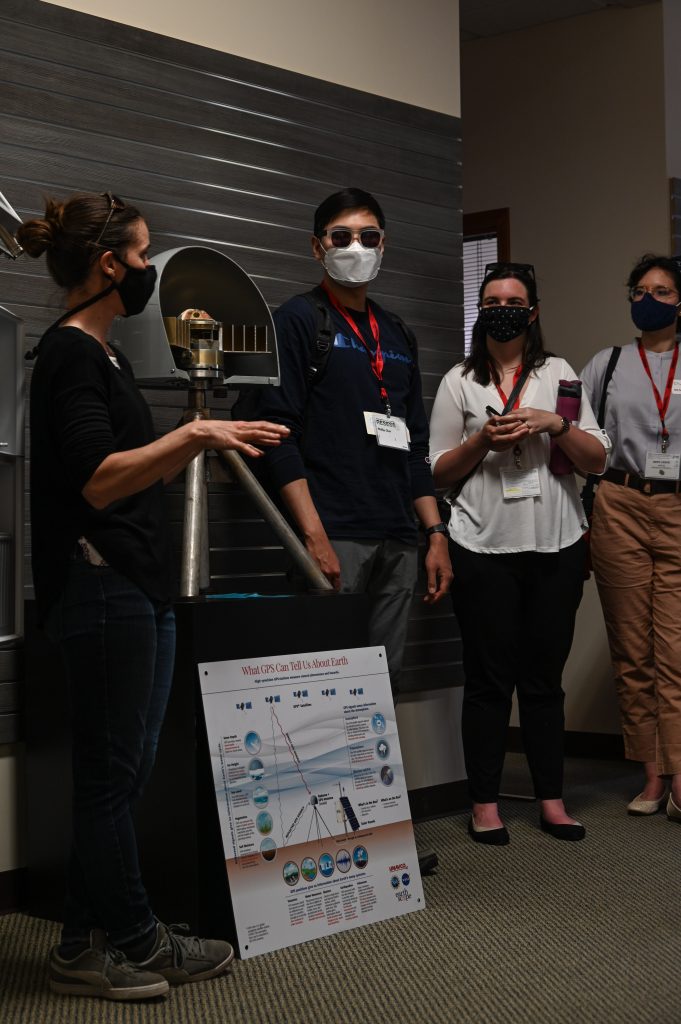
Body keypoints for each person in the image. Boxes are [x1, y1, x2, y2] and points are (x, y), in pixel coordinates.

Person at [18, 192, 288, 1001]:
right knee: (112, 779)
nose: (148, 269)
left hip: (133, 585)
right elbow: (98, 482)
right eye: (142, 255)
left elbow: (128, 469)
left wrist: (204, 437)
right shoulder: (68, 355)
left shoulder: (106, 358)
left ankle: (81, 942)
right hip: (100, 588)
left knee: (121, 778)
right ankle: (134, 936)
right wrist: (196, 434)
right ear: (110, 264)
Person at [429, 262, 610, 845]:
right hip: (481, 545)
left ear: (531, 311)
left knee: (543, 681)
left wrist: (555, 424)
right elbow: (437, 470)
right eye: (491, 300)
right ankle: (485, 804)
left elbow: (597, 460)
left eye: (513, 299)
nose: (502, 308)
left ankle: (552, 801)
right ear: (479, 309)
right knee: (488, 682)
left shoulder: (559, 373)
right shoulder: (460, 379)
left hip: (556, 545)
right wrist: (481, 439)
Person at [247, 187, 452, 696]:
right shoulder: (298, 320)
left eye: (368, 236)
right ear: (317, 247)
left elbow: (415, 447)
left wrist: (435, 535)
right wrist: (312, 537)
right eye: (342, 237)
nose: (356, 247)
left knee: (383, 687)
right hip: (334, 534)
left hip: (399, 539)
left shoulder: (397, 333)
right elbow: (278, 435)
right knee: (321, 687)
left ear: (384, 245)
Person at [581, 253, 681, 823]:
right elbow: (581, 437)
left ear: (679, 301)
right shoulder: (609, 363)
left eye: (662, 291)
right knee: (632, 649)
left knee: (675, 649)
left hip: (678, 508)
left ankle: (680, 771)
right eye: (640, 289)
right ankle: (651, 773)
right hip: (618, 502)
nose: (649, 299)